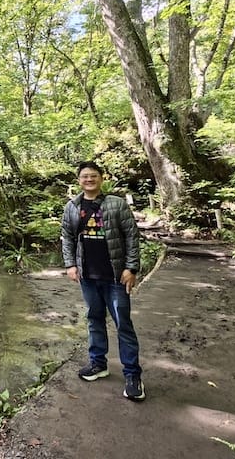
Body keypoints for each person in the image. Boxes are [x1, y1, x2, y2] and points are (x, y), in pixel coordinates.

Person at [61, 160, 145, 401]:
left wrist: (131, 267)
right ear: (79, 180)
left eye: (93, 176)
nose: (89, 179)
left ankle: (133, 375)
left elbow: (131, 237)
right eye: (85, 176)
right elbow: (67, 237)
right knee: (94, 319)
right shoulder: (73, 206)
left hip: (115, 276)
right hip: (88, 276)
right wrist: (70, 265)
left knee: (123, 324)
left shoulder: (116, 204)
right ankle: (98, 363)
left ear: (101, 178)